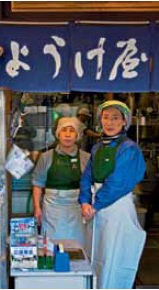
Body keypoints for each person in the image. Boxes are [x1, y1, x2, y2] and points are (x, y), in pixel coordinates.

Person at [79, 100, 146, 289]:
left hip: (116, 207)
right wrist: (84, 201)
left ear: (125, 121)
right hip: (95, 207)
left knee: (114, 256)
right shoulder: (97, 147)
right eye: (106, 117)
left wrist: (95, 204)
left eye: (115, 118)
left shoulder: (129, 149)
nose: (109, 122)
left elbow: (119, 183)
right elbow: (87, 177)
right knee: (96, 253)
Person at [32, 117, 90, 246]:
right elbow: (37, 184)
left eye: (72, 131)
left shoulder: (86, 158)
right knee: (52, 244)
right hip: (52, 207)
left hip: (77, 207)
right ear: (58, 134)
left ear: (77, 135)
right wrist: (37, 208)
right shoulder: (46, 157)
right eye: (64, 130)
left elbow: (91, 185)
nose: (68, 135)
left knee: (77, 245)